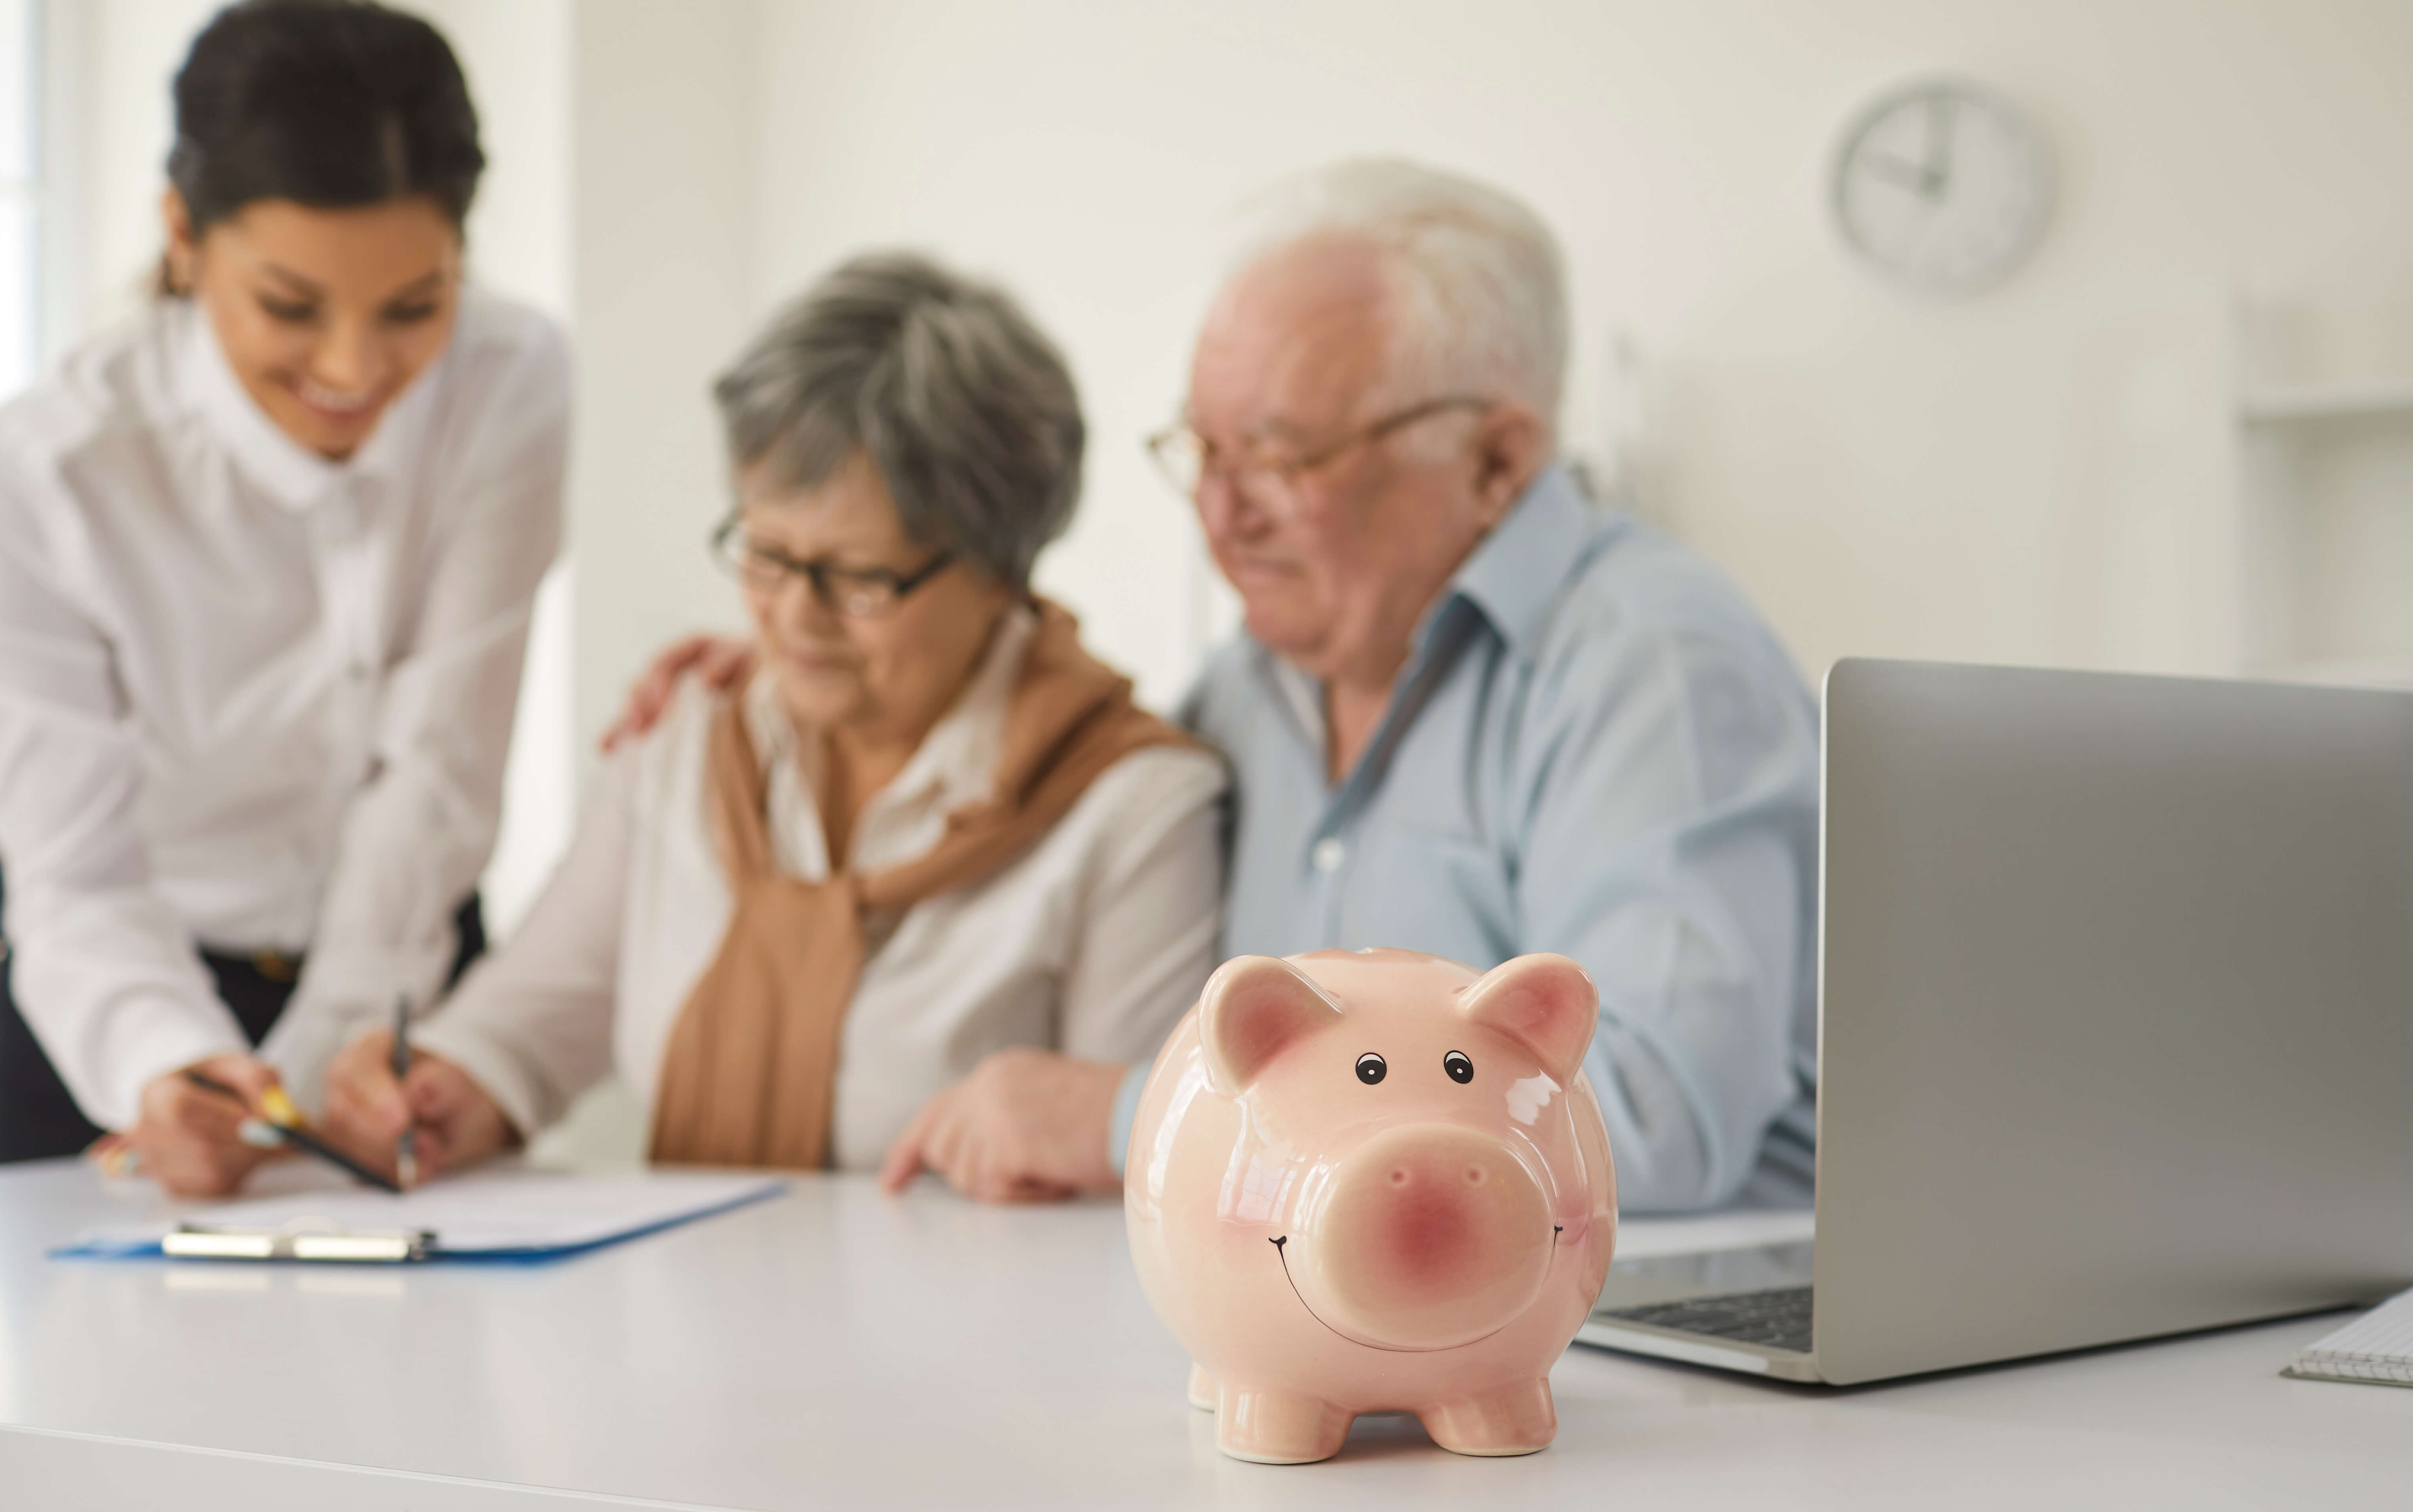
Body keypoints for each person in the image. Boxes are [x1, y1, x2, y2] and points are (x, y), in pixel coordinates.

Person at [324, 254, 1232, 1512]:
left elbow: (1135, 1218)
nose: (793, 615)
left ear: (1001, 567)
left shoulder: (1130, 805)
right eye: (762, 551)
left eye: (858, 577)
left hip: (954, 1441)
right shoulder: (690, 736)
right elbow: (537, 1009)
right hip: (653, 1390)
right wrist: (443, 1084)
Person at [620, 159, 1818, 1216]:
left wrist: (1125, 1115)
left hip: (1660, 1360)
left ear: (1495, 460)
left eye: (1283, 458)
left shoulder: (1649, 662)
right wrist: (802, 658)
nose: (1222, 514)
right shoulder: (1253, 688)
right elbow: (1069, 747)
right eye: (1204, 450)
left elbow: (1656, 1122)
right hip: (1368, 1335)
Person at [0, 0, 570, 1204]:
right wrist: (171, 1065)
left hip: (400, 977)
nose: (354, 371)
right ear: (182, 233)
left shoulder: (512, 385)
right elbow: (76, 869)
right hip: (119, 1005)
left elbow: (440, 773)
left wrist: (324, 1061)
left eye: (412, 307)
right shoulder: (39, 477)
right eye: (291, 307)